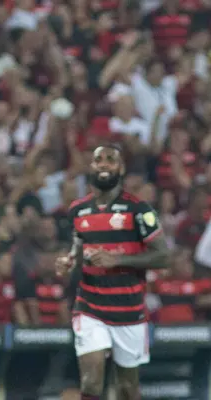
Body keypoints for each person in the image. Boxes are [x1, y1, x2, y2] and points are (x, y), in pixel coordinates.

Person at [55, 145, 170, 400]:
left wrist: (117, 259)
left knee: (128, 388)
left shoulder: (139, 210)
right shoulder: (77, 210)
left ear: (121, 168)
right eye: (98, 160)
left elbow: (163, 257)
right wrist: (67, 261)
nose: (104, 164)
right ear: (91, 167)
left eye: (111, 160)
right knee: (91, 380)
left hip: (129, 311)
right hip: (90, 307)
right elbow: (75, 248)